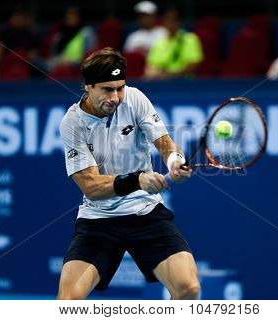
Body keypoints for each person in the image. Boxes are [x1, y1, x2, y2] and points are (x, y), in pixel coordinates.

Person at [57, 47, 200, 300]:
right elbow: (90, 186)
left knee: (188, 288)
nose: (115, 96)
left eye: (119, 87)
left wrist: (175, 161)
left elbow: (165, 142)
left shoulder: (134, 98)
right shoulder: (72, 123)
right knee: (68, 302)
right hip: (98, 219)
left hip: (145, 213)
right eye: (107, 89)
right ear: (88, 87)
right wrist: (138, 180)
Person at [0, 5, 39, 82]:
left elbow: (33, 56)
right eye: (17, 17)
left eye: (22, 18)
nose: (19, 20)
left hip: (24, 67)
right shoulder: (5, 33)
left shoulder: (31, 35)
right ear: (12, 19)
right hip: (6, 67)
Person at [144, 7, 203, 79]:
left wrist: (171, 75)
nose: (170, 23)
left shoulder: (190, 39)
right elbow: (150, 66)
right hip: (162, 83)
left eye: (173, 20)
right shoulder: (159, 43)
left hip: (184, 82)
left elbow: (193, 64)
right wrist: (153, 73)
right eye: (167, 20)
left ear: (179, 22)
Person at [47, 6, 96, 70]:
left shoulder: (87, 32)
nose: (70, 17)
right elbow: (53, 55)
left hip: (77, 66)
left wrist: (73, 63)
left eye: (73, 15)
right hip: (57, 63)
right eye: (68, 16)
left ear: (79, 17)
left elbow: (91, 55)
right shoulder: (59, 35)